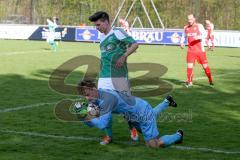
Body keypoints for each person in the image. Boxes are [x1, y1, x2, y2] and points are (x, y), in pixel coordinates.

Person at [77, 80, 183, 148]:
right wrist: (81, 116)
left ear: (94, 89)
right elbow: (91, 124)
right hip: (132, 115)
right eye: (84, 96)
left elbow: (102, 124)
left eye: (88, 94)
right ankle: (167, 102)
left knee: (153, 145)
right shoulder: (96, 98)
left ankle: (178, 135)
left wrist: (87, 114)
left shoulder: (106, 100)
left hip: (142, 111)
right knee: (151, 116)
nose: (87, 98)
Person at [86, 11, 139, 145]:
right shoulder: (102, 38)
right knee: (104, 107)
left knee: (127, 107)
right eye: (95, 26)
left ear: (106, 22)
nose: (97, 28)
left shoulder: (117, 32)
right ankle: (108, 136)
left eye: (98, 25)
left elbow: (135, 44)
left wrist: (124, 56)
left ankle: (132, 128)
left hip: (119, 77)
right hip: (104, 78)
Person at [180, 14, 213, 87]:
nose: (189, 21)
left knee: (205, 67)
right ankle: (190, 82)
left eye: (191, 19)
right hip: (190, 51)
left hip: (200, 51)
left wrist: (198, 37)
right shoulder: (186, 27)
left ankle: (210, 80)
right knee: (189, 67)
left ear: (194, 19)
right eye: (188, 19)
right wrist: (182, 43)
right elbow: (183, 36)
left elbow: (205, 35)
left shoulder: (199, 26)